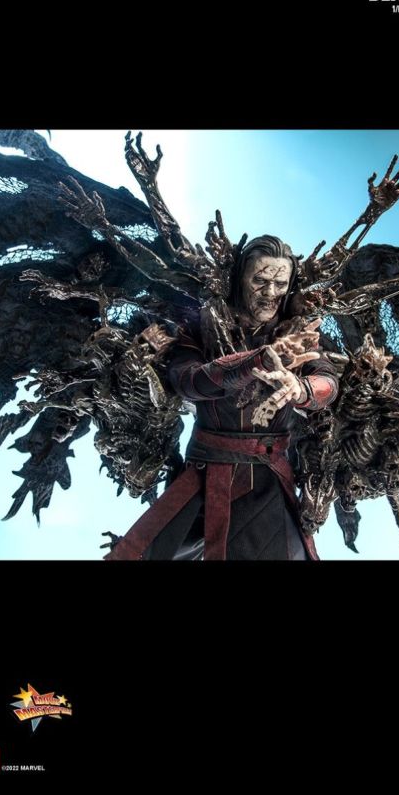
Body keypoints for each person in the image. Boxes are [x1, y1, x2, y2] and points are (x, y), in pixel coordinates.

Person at [104, 235, 339, 561]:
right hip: (203, 475)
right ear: (241, 277)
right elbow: (186, 382)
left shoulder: (298, 334)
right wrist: (254, 362)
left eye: (280, 284)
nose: (270, 292)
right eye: (260, 281)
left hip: (267, 479)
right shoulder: (203, 326)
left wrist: (302, 388)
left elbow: (328, 381)